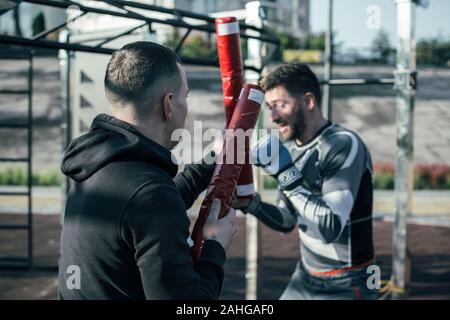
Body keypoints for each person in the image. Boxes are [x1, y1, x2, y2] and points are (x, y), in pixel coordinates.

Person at [58, 41, 236, 300]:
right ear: (168, 104)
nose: (186, 106)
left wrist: (214, 159)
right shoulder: (149, 195)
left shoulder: (94, 168)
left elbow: (148, 204)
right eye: (185, 96)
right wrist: (215, 248)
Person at [233, 62, 377, 300]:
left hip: (350, 280)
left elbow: (329, 228)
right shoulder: (290, 148)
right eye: (270, 108)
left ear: (309, 101)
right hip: (307, 275)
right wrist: (249, 204)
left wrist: (282, 171)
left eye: (280, 105)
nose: (274, 117)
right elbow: (288, 219)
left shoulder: (343, 144)